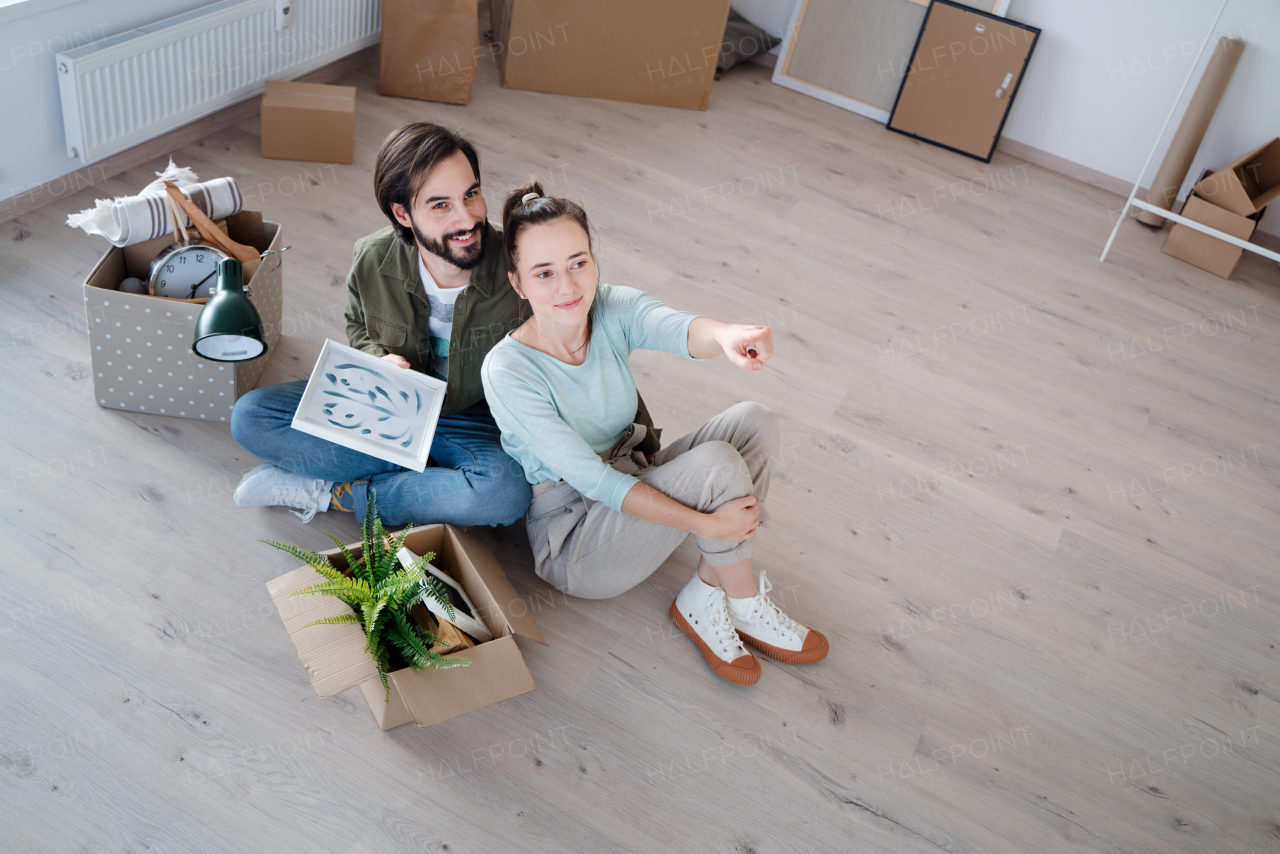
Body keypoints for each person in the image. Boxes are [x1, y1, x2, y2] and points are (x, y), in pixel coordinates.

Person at [228, 123, 665, 527]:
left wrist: (637, 436)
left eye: (471, 194)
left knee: (503, 495)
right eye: (441, 205)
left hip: (478, 420)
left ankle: (339, 494)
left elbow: (590, 335)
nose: (467, 218)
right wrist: (377, 360)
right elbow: (358, 324)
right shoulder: (372, 259)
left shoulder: (520, 263)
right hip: (392, 407)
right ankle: (430, 478)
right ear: (403, 214)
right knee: (250, 416)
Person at [480, 182, 829, 686]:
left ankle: (708, 590)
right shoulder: (507, 371)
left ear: (594, 261)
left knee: (756, 419)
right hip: (578, 538)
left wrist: (727, 334)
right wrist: (704, 524)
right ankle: (744, 600)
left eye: (579, 263)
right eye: (545, 273)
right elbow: (596, 483)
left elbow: (681, 329)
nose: (567, 287)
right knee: (715, 468)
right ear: (518, 284)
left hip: (633, 473)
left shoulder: (611, 309)